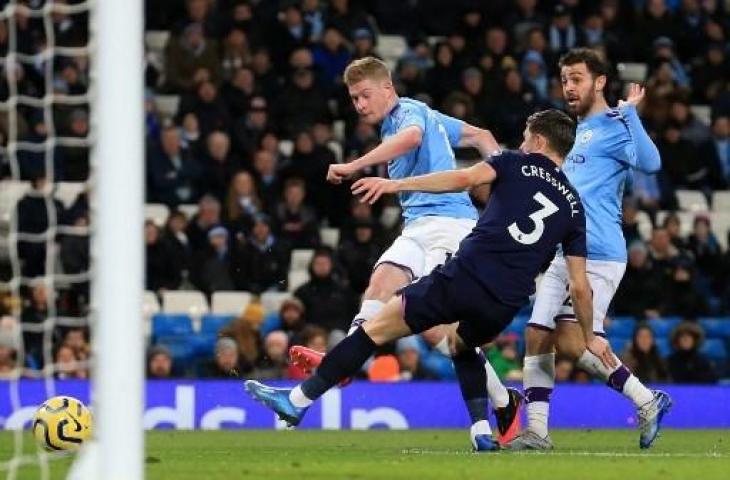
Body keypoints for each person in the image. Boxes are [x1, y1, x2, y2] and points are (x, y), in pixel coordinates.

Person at [246, 109, 614, 452]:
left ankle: (296, 401)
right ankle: (482, 432)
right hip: (505, 303)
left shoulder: (514, 162)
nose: (520, 144)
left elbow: (461, 179)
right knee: (461, 345)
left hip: (465, 276)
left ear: (538, 142)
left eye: (524, 137)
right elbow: (579, 285)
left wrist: (395, 185)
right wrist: (591, 336)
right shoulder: (574, 208)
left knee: (375, 327)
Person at [286, 56, 522, 442]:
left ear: (388, 88)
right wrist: (501, 175)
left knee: (436, 328)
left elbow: (411, 138)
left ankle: (503, 400)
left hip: (451, 225)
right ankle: (344, 360)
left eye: (365, 95)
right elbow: (480, 134)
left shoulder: (409, 112)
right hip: (416, 226)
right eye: (354, 98)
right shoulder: (426, 117)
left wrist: (354, 165)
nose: (360, 105)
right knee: (380, 285)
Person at [511, 48, 670, 451]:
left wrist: (631, 113)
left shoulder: (617, 124)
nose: (569, 86)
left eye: (577, 78)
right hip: (563, 249)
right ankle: (538, 433)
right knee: (535, 332)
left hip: (599, 250)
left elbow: (651, 164)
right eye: (565, 79)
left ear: (599, 82)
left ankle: (646, 400)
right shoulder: (571, 131)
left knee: (570, 343)